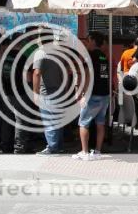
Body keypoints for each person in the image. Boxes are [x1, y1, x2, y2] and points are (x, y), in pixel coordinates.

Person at [73, 32, 110, 160]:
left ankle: (84, 152)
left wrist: (82, 93)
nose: (86, 44)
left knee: (83, 123)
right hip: (104, 94)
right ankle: (98, 151)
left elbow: (88, 75)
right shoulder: (104, 57)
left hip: (93, 94)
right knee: (100, 123)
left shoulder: (91, 56)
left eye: (88, 41)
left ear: (93, 41)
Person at [32, 28, 65, 155]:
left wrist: (35, 93)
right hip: (60, 90)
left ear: (41, 39)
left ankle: (52, 148)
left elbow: (36, 73)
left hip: (47, 92)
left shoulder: (41, 53)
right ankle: (59, 145)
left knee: (49, 121)